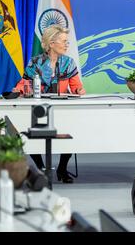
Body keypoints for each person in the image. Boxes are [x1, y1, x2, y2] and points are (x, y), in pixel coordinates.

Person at [13, 25, 85, 183]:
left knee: (71, 132)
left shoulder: (69, 63)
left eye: (67, 41)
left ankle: (62, 168)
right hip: (39, 110)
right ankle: (41, 169)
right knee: (31, 134)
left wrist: (79, 90)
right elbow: (24, 84)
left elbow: (76, 87)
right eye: (64, 41)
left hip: (62, 110)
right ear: (51, 43)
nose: (67, 45)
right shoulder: (36, 63)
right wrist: (18, 90)